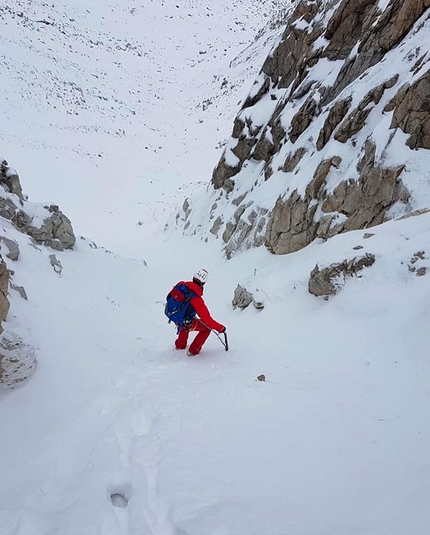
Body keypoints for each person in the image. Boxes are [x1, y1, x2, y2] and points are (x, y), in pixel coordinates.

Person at [174, 268, 225, 356]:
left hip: (175, 316)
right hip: (185, 320)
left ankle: (180, 345)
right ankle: (194, 350)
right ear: (203, 283)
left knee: (185, 324)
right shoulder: (196, 299)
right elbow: (208, 320)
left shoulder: (181, 286)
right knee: (207, 328)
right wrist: (220, 328)